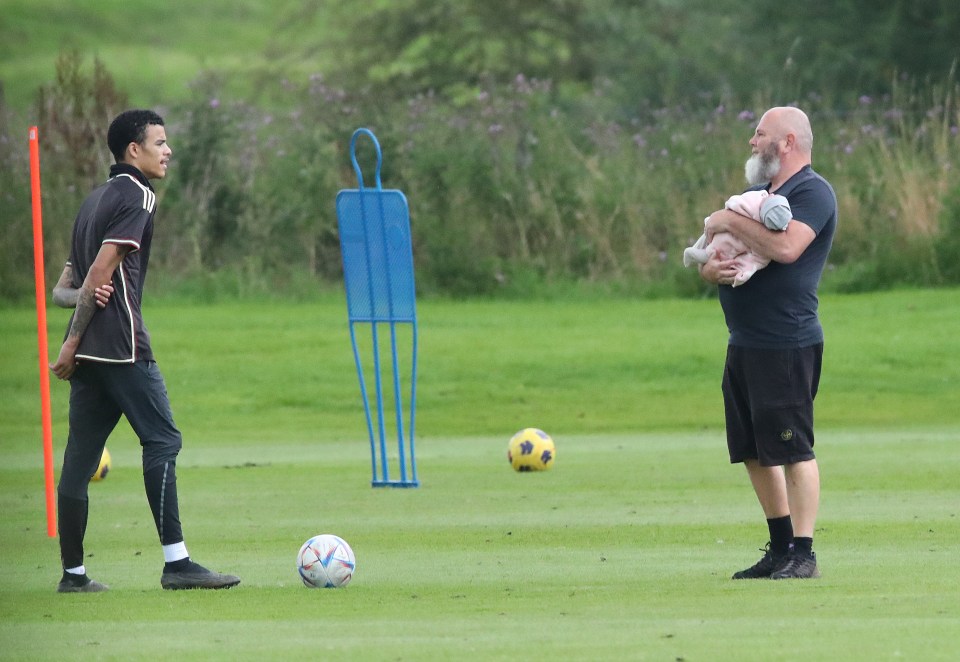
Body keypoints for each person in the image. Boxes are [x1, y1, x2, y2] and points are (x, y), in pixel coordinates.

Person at [49, 109, 241, 593]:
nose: (167, 150)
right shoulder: (139, 195)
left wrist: (77, 330)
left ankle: (73, 576)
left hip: (93, 354)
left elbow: (63, 289)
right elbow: (97, 274)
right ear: (133, 151)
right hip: (121, 346)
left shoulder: (93, 201)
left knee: (78, 461)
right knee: (163, 441)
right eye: (159, 142)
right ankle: (177, 564)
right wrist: (70, 342)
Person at [699, 106, 837, 580]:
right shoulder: (758, 196)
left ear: (788, 143)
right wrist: (710, 269)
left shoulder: (812, 193)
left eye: (760, 135)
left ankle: (805, 553)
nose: (752, 142)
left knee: (793, 448)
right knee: (754, 450)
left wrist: (726, 218)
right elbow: (713, 252)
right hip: (745, 342)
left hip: (787, 342)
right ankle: (779, 549)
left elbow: (786, 248)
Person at [683, 190, 792, 286]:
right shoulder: (756, 192)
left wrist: (727, 220)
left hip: (773, 304)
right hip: (721, 241)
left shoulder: (805, 193)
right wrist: (707, 272)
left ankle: (701, 253)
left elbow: (785, 250)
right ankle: (699, 253)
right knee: (708, 239)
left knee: (713, 248)